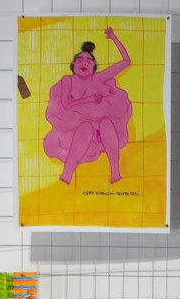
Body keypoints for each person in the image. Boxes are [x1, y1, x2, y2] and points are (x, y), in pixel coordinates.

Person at [42, 27, 135, 186]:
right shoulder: (68, 80)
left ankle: (115, 172)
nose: (84, 63)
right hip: (75, 127)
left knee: (106, 124)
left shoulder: (98, 78)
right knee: (86, 127)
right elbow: (66, 105)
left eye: (88, 60)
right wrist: (89, 99)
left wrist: (113, 37)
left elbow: (126, 61)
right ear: (73, 63)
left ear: (94, 64)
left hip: (101, 125)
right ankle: (67, 173)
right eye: (80, 60)